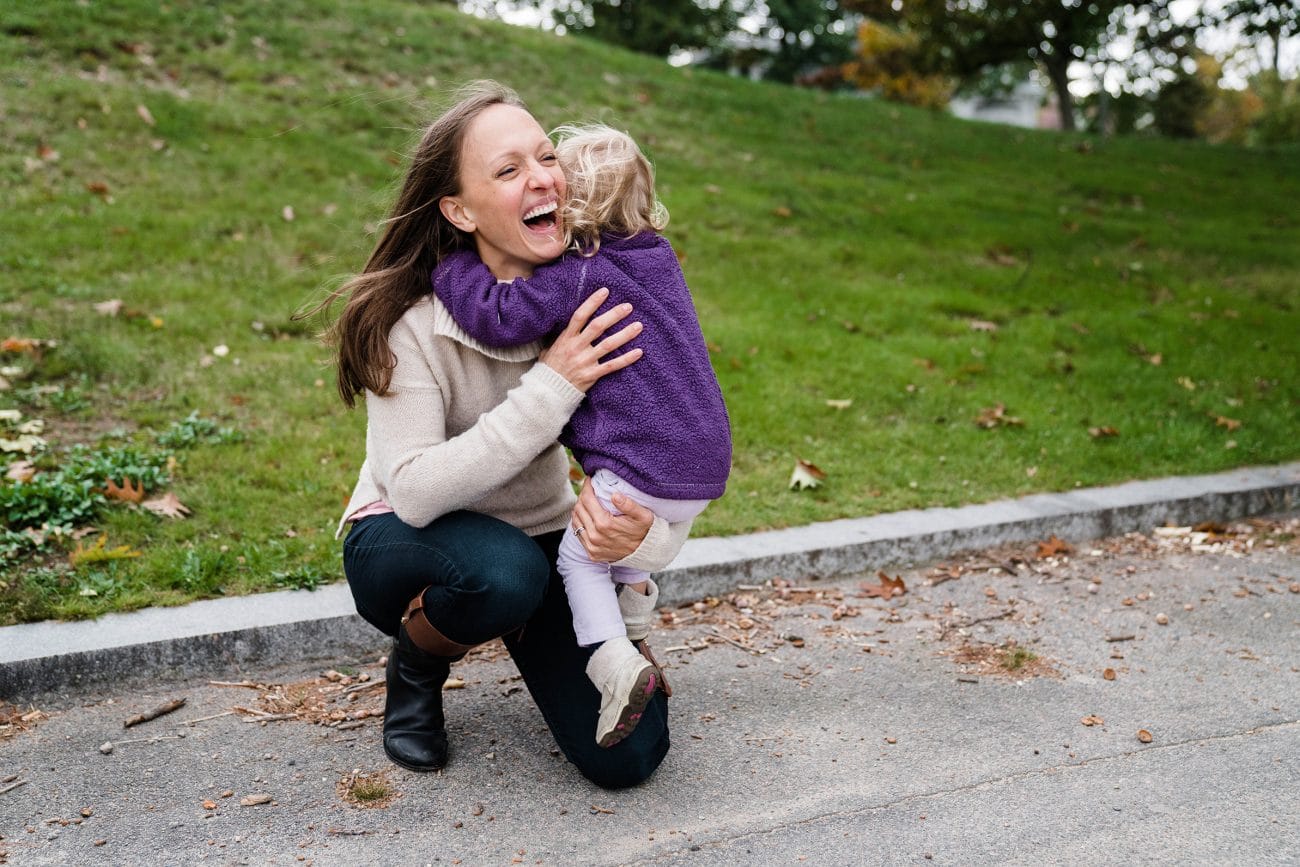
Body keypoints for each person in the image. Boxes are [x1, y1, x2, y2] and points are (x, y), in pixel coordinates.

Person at [323, 81, 693, 789]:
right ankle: (418, 660)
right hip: (401, 533)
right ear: (459, 210)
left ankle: (535, 624)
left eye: (546, 156)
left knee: (630, 755)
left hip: (538, 537)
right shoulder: (412, 322)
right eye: (508, 169)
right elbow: (416, 492)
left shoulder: (593, 299)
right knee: (504, 573)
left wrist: (641, 539)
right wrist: (554, 384)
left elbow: (671, 452)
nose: (543, 177)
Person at [432, 123, 731, 748]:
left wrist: (452, 267)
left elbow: (498, 314)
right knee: (617, 551)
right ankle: (638, 626)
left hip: (641, 465)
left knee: (578, 556)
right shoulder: (656, 256)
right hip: (701, 466)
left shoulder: (577, 274)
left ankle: (613, 663)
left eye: (550, 168)